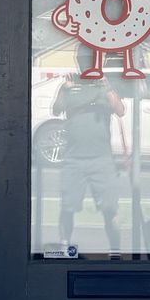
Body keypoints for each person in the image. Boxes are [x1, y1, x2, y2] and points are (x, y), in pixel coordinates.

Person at [53, 44, 128, 255]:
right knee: (67, 207)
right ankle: (64, 247)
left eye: (90, 59)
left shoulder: (105, 84)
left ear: (98, 61)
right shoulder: (71, 83)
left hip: (102, 159)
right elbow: (57, 109)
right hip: (73, 159)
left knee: (110, 209)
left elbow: (120, 110)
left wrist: (106, 86)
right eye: (83, 58)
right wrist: (65, 89)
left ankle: (115, 251)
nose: (86, 63)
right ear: (77, 60)